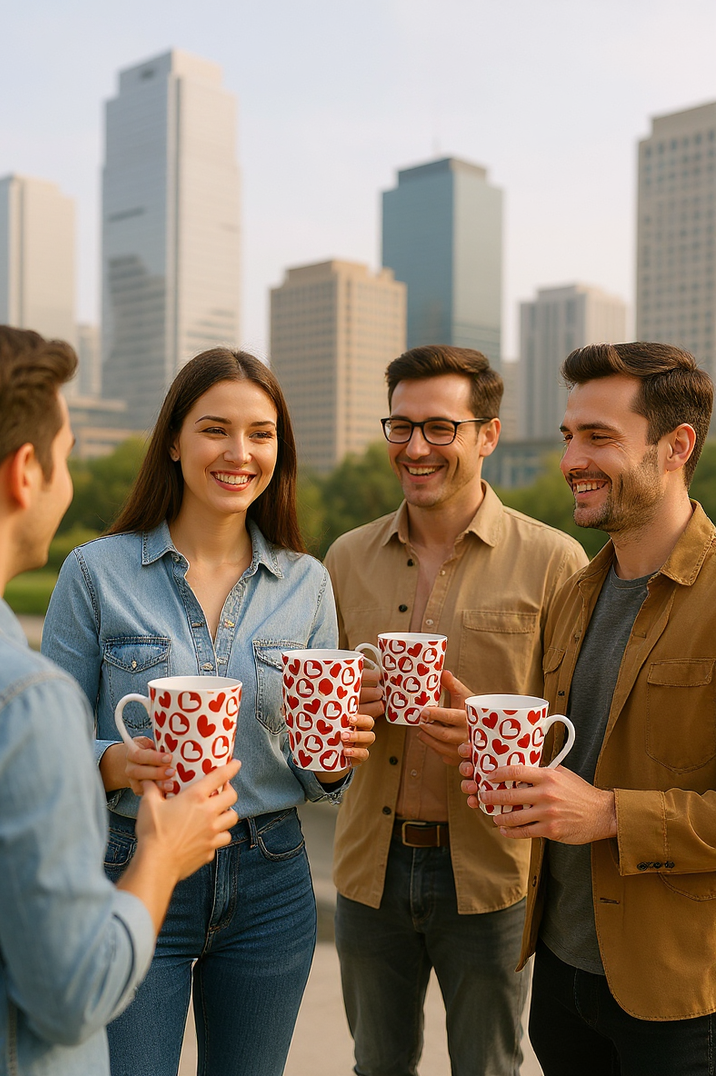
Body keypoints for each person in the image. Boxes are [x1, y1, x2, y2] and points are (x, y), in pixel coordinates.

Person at [0, 320, 240, 1076]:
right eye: (65, 455)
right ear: (25, 473)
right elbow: (74, 993)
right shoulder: (19, 702)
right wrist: (161, 857)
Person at [42, 347, 377, 1076]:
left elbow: (315, 775)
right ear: (173, 440)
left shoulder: (307, 583)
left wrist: (333, 759)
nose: (239, 453)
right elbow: (49, 744)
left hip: (270, 876)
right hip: (131, 864)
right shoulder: (95, 572)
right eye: (215, 429)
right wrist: (116, 762)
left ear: (279, 451)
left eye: (261, 434)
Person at [324, 343, 588, 1076]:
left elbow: (583, 733)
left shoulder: (556, 561)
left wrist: (497, 744)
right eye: (401, 426)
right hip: (368, 868)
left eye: (441, 427)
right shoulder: (344, 558)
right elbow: (314, 734)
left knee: (490, 1068)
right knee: (376, 1067)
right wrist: (345, 713)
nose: (416, 448)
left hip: (493, 873)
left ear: (487, 435)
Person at [460, 341, 716, 1075]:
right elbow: (576, 761)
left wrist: (608, 815)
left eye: (599, 437)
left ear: (676, 447)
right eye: (569, 435)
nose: (571, 459)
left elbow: (596, 805)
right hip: (560, 974)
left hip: (680, 997)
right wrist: (505, 767)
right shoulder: (574, 594)